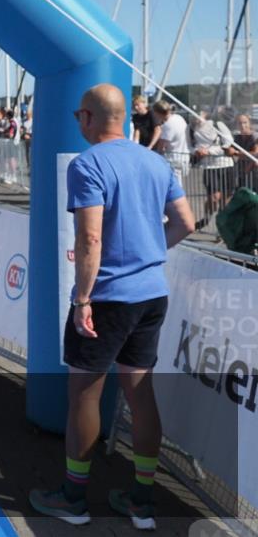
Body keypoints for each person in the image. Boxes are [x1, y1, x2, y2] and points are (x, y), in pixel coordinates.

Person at [29, 84, 194, 529]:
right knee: (141, 394)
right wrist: (149, 253)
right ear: (123, 118)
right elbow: (186, 222)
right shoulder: (155, 161)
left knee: (84, 395)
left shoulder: (88, 165)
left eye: (78, 116)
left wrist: (83, 298)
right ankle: (142, 500)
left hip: (106, 298)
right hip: (150, 294)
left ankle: (74, 498)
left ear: (86, 117)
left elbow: (90, 239)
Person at [191, 111, 235, 230]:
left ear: (205, 115)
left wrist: (209, 151)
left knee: (225, 200)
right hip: (209, 167)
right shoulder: (193, 129)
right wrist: (196, 151)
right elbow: (191, 145)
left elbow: (228, 144)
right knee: (214, 197)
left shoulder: (217, 124)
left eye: (198, 115)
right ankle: (206, 218)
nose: (195, 118)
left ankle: (222, 228)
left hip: (225, 165)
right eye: (193, 115)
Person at [152, 101, 190, 187]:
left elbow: (161, 147)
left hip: (173, 160)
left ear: (158, 113)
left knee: (175, 186)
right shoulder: (179, 117)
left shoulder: (168, 125)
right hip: (184, 156)